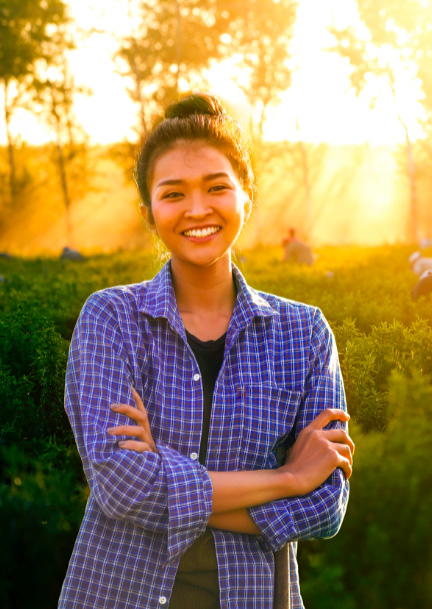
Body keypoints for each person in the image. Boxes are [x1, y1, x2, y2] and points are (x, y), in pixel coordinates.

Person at [58, 93, 354, 609]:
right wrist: (286, 477)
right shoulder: (110, 318)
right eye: (173, 194)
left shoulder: (305, 333)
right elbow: (121, 487)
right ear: (150, 212)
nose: (197, 209)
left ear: (246, 198)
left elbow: (326, 506)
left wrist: (163, 475)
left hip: (255, 595)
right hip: (118, 592)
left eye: (217, 187)